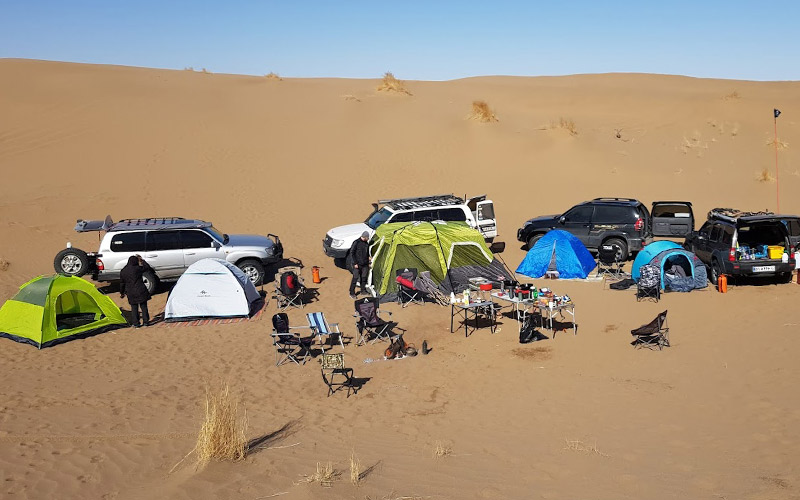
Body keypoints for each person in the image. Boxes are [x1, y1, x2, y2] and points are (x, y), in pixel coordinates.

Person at [120, 255, 153, 327]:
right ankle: (146, 322)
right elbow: (147, 267)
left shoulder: (123, 271)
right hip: (140, 290)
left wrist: (122, 293)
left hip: (130, 292)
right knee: (143, 307)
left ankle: (136, 323)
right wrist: (142, 260)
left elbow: (122, 283)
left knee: (134, 308)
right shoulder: (137, 269)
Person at [349, 231, 371, 299]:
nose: (368, 239)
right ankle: (352, 292)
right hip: (357, 264)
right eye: (367, 238)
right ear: (364, 237)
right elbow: (352, 253)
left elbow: (366, 253)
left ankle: (363, 291)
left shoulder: (366, 243)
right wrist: (355, 263)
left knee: (364, 278)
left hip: (365, 264)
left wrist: (368, 258)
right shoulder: (356, 242)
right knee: (355, 278)